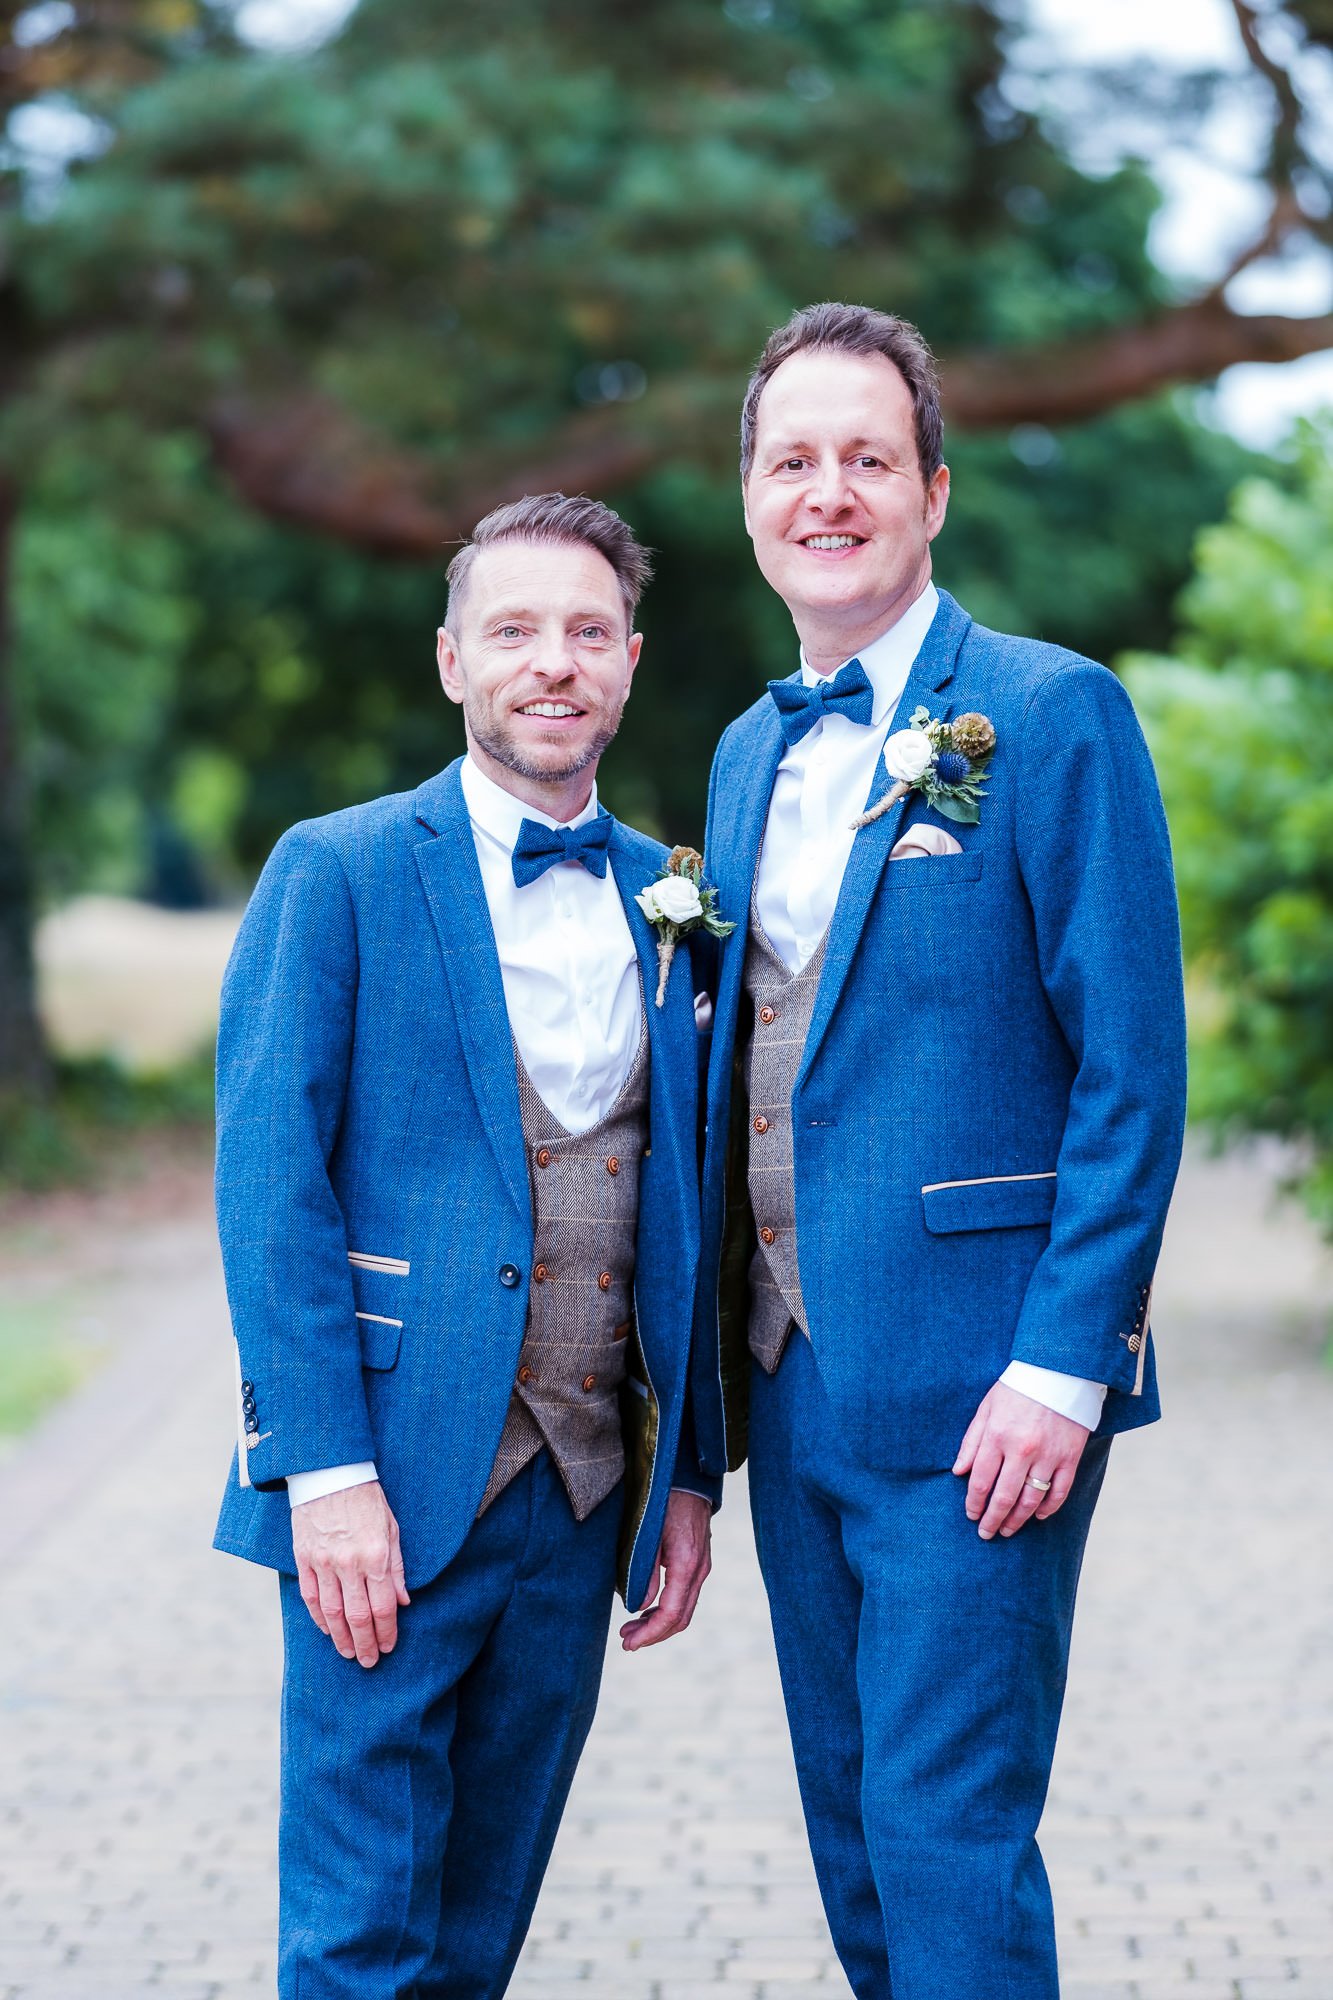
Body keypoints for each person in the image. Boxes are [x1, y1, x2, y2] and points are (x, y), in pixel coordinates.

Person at [691, 302, 1188, 2000]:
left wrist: (1063, 1366)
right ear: (748, 496)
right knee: (848, 1834)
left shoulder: (1051, 718)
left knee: (946, 1831)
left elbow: (1130, 1072)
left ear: (933, 492)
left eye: (865, 458)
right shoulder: (747, 750)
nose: (826, 491)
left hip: (984, 1387)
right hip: (790, 1381)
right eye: (791, 460)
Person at [213, 492, 717, 2000]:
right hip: (385, 1489)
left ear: (628, 659)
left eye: (584, 631)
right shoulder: (340, 870)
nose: (549, 662)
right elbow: (269, 1186)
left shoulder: (675, 897)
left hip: (577, 1496)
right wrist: (324, 1474)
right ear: (451, 661)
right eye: (512, 630)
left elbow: (692, 1208)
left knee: (480, 1931)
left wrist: (682, 1472)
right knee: (359, 1937)